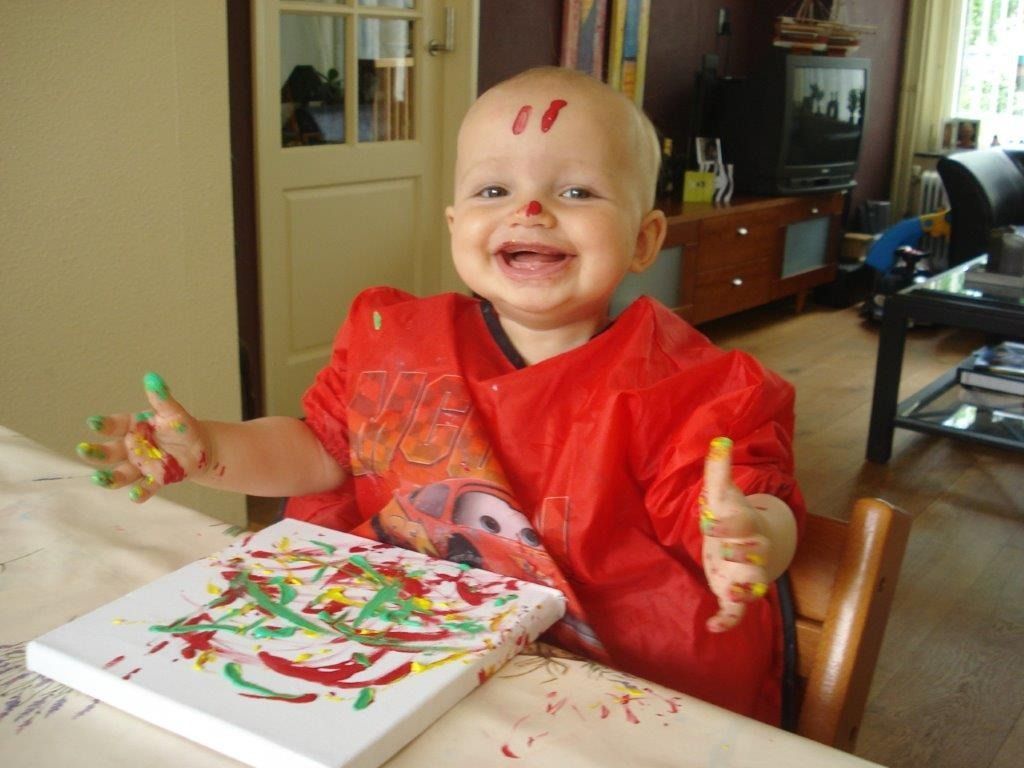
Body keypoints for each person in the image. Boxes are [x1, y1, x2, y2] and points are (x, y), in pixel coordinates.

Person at [76, 67, 803, 723]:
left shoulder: (687, 386)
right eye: (495, 190)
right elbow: (320, 447)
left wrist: (750, 536)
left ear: (645, 239)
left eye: (575, 191)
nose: (531, 211)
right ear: (457, 226)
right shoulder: (394, 343)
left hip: (596, 700)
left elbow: (743, 499)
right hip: (400, 665)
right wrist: (211, 449)